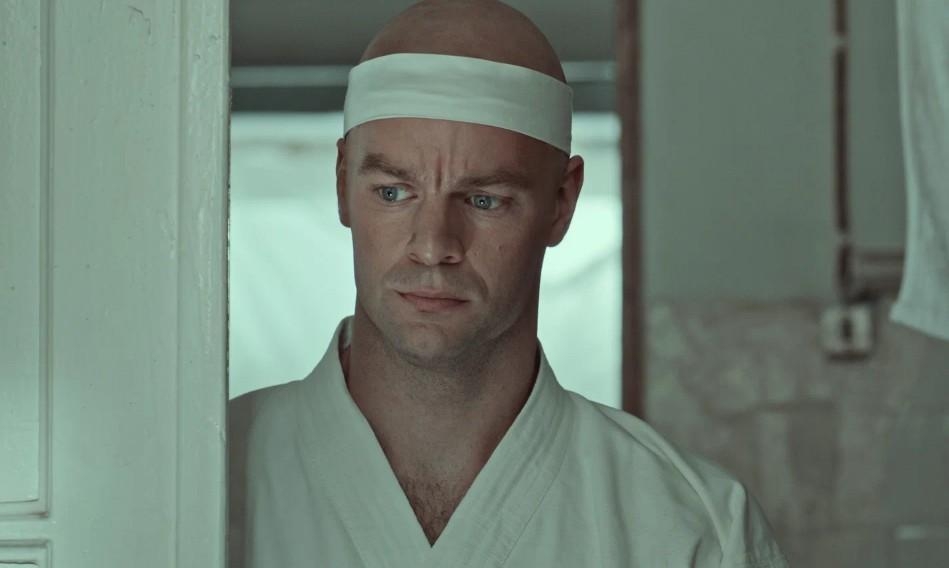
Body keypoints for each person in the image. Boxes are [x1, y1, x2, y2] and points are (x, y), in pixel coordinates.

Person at [228, 1, 789, 566]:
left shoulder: (689, 529)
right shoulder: (211, 474)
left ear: (561, 203)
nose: (433, 246)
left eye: (484, 200)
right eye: (393, 193)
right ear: (342, 182)